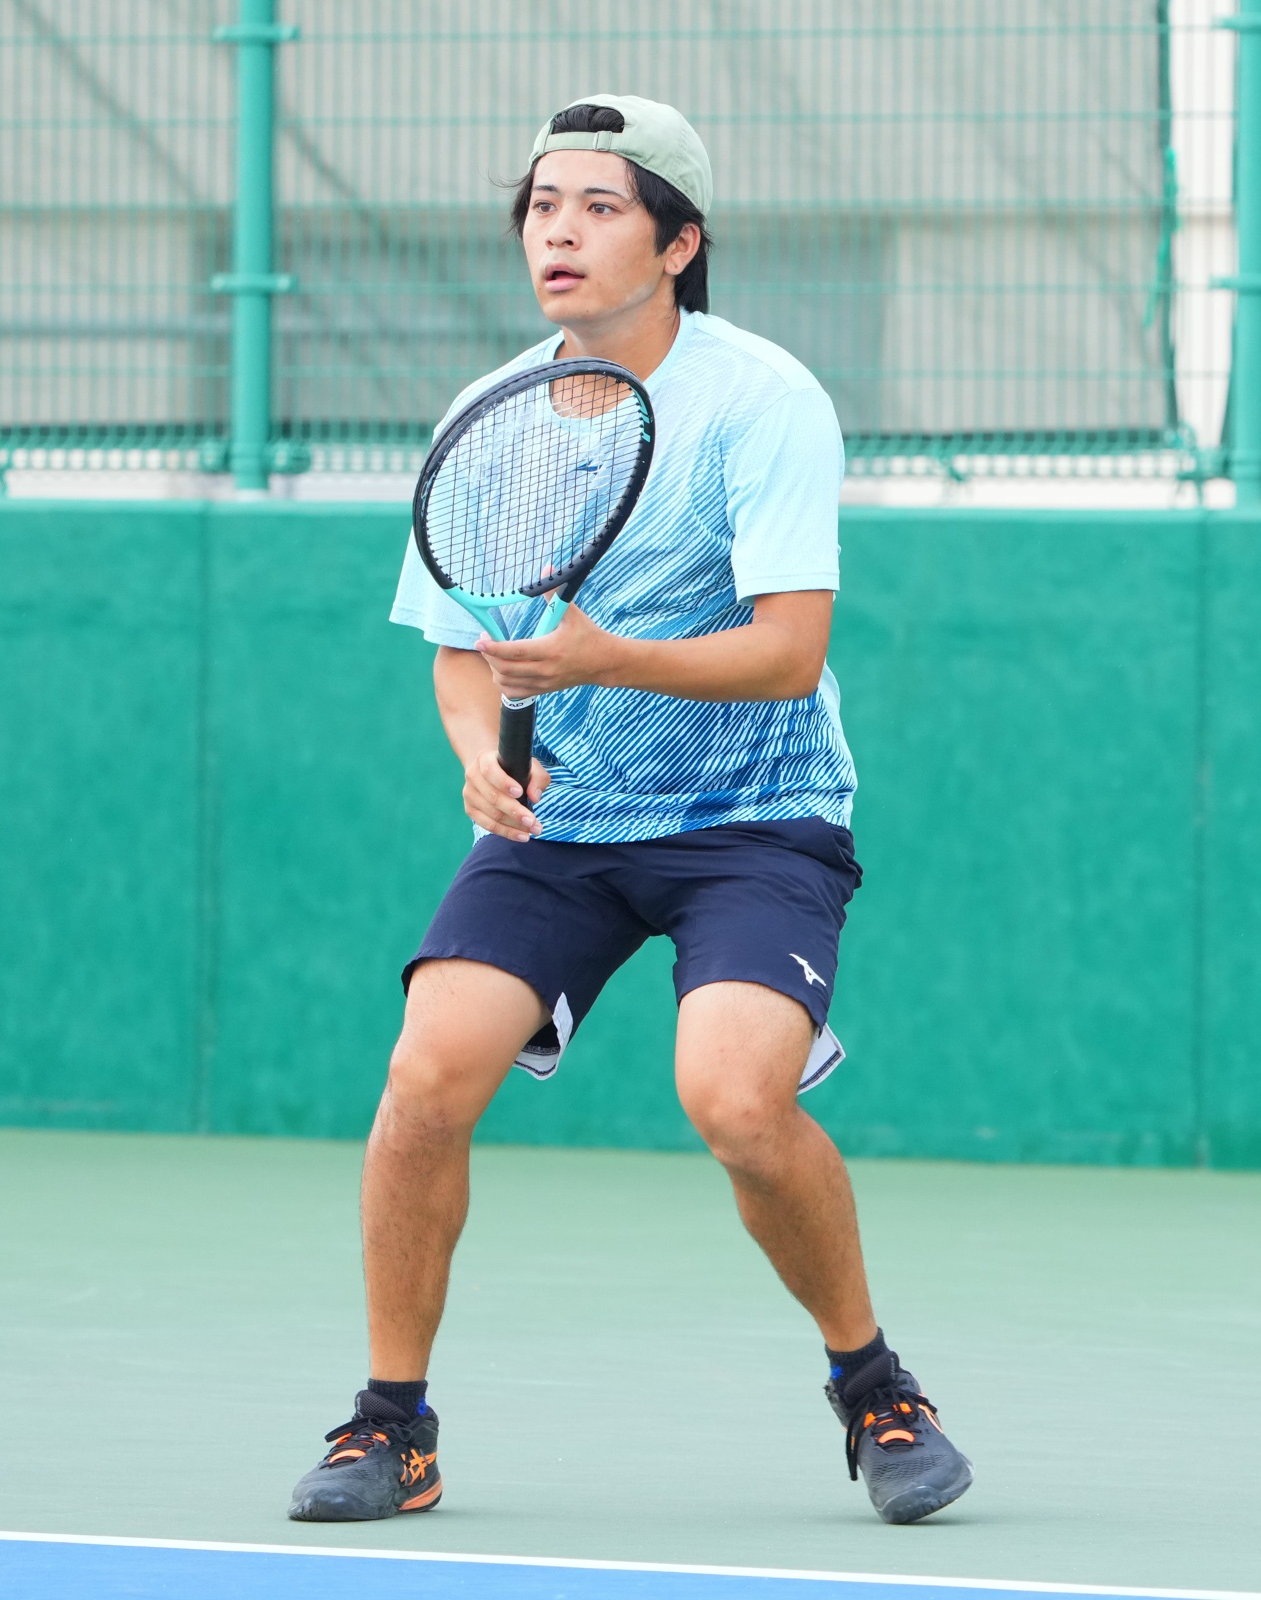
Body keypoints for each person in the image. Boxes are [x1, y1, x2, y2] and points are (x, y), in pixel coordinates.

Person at [286, 94, 972, 1528]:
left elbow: (788, 649)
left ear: (677, 243)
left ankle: (874, 1386)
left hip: (758, 815)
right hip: (564, 832)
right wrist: (478, 759)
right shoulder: (489, 420)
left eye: (599, 207)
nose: (560, 232)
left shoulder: (765, 401)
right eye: (543, 206)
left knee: (735, 1099)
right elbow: (463, 655)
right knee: (424, 1078)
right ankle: (392, 1427)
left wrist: (605, 657)